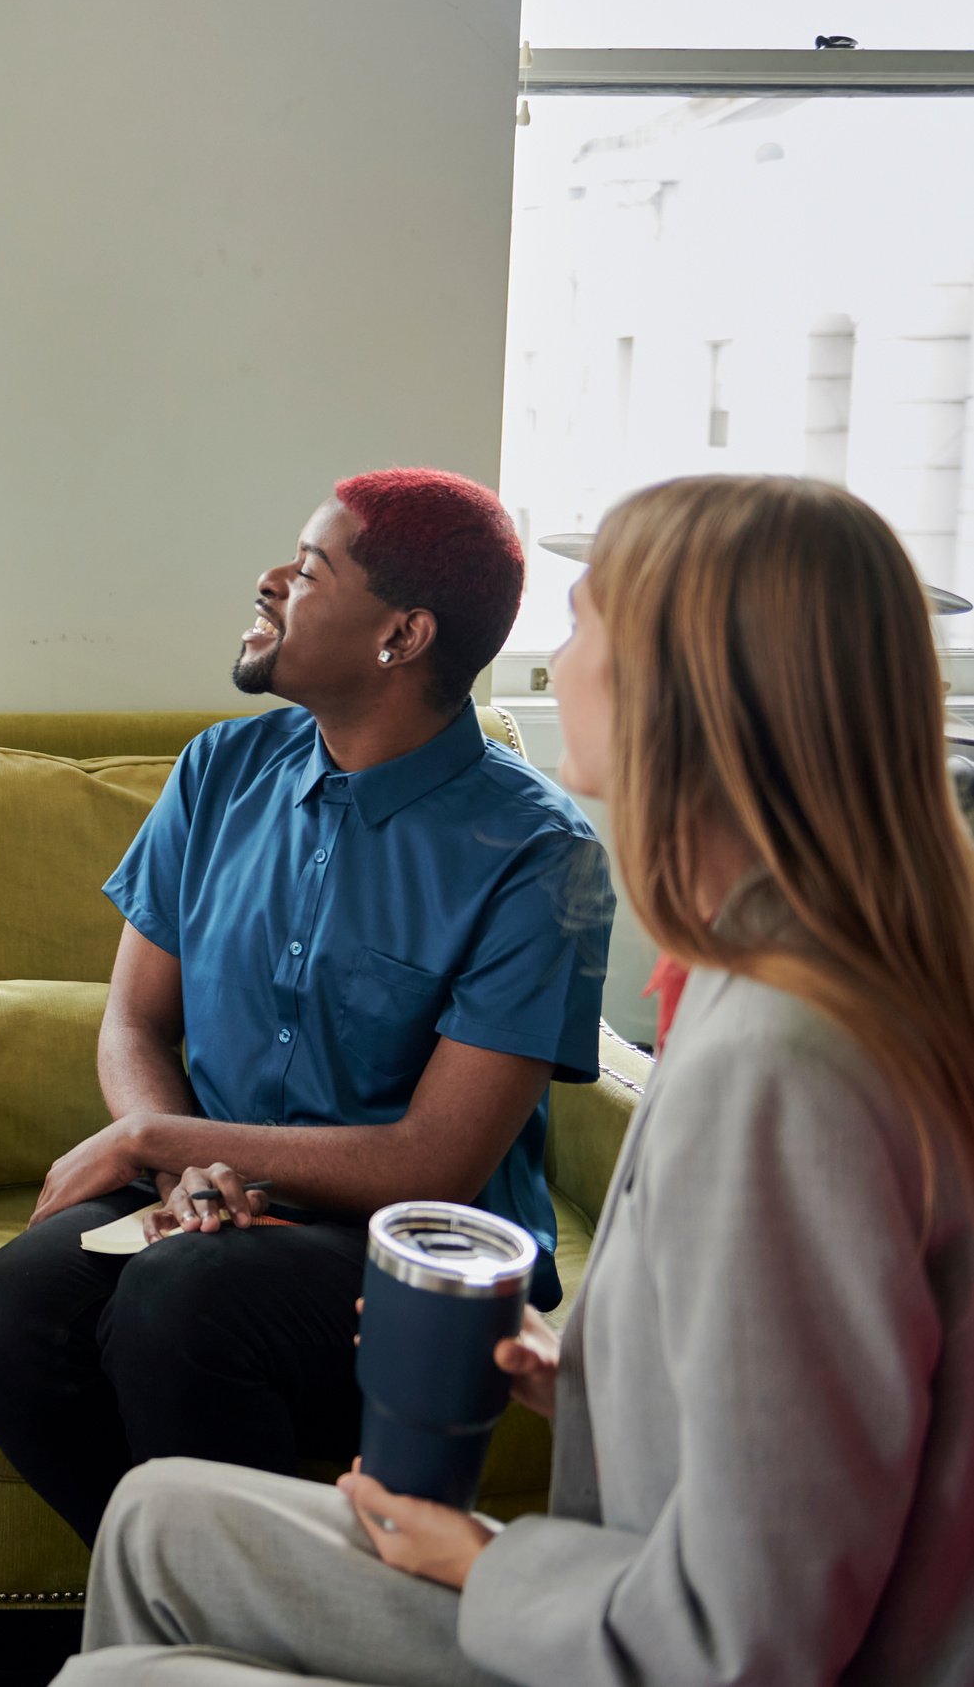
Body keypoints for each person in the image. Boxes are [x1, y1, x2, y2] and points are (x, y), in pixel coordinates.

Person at [58, 474, 974, 1686]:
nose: (553, 656)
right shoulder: (753, 981)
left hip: (656, 1634)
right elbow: (787, 1409)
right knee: (153, 1518)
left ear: (691, 691)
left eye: (585, 624)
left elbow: (752, 1636)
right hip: (634, 1593)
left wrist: (479, 1564)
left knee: (113, 1679)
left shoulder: (780, 1065)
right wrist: (579, 1378)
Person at [0, 468, 611, 1543]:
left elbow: (435, 1157)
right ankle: (193, 1615)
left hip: (408, 1242)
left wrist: (156, 1136)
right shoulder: (218, 769)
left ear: (400, 636)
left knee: (179, 1305)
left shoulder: (537, 854)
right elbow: (133, 1021)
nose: (267, 582)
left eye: (306, 570)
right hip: (207, 1194)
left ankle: (235, 1625)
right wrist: (179, 1167)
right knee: (2, 1315)